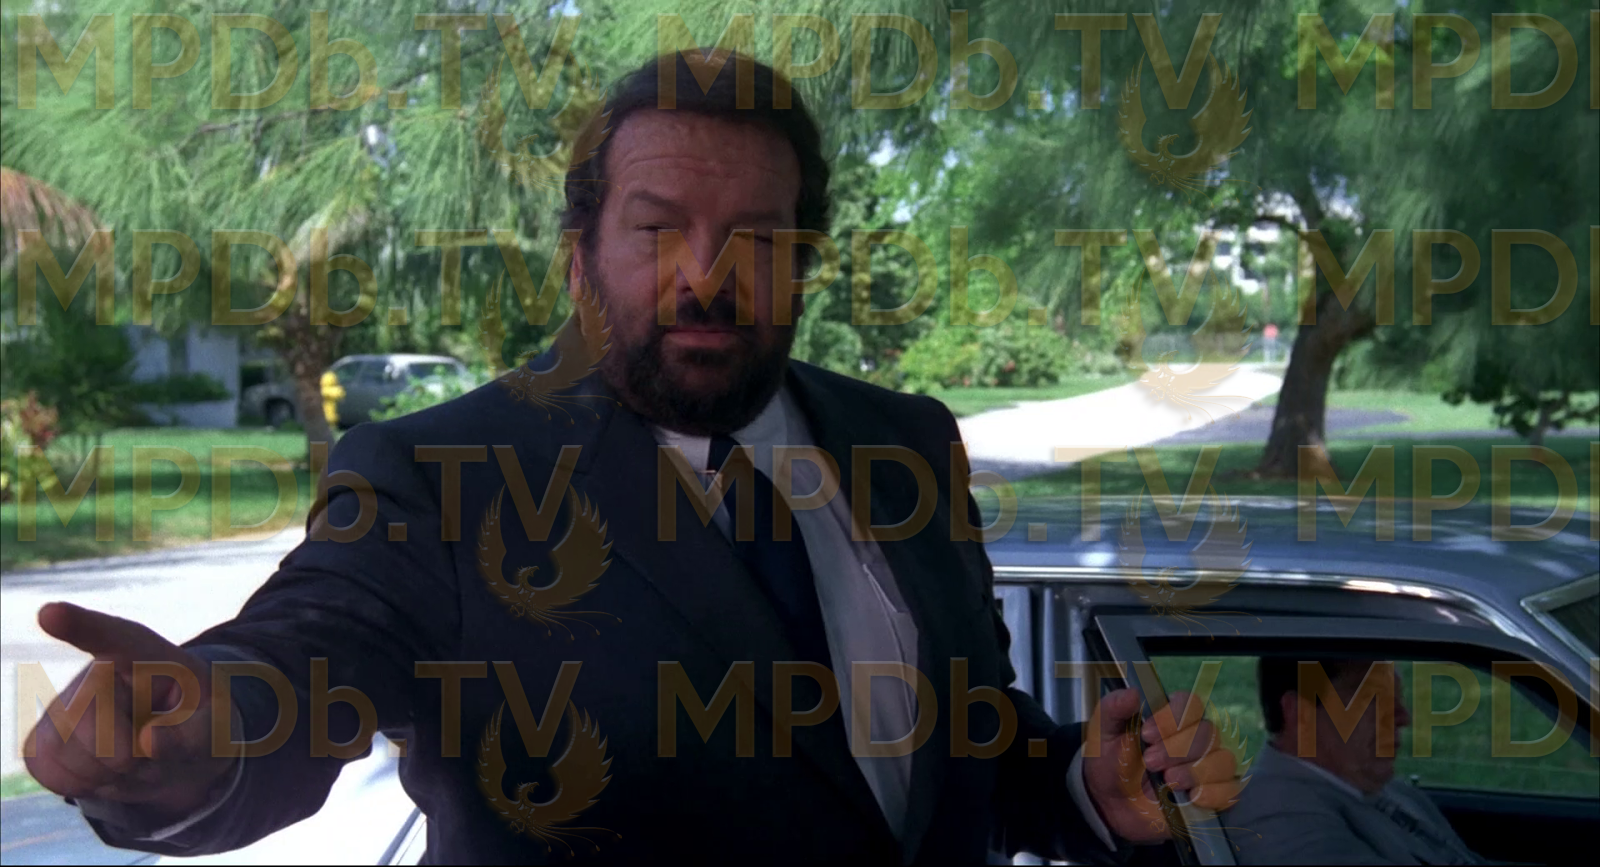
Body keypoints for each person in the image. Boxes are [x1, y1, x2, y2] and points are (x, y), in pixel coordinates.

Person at [25, 51, 1240, 864]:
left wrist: (1084, 789)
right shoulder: (438, 478)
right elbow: (307, 661)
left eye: (755, 236)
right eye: (658, 229)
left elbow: (964, 746)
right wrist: (201, 731)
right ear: (580, 256)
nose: (706, 275)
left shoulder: (905, 445)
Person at [1225, 657, 1486, 865]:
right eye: (1373, 699)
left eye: (1396, 698)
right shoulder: (1275, 818)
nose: (1402, 717)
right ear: (1302, 713)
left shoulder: (1388, 790)